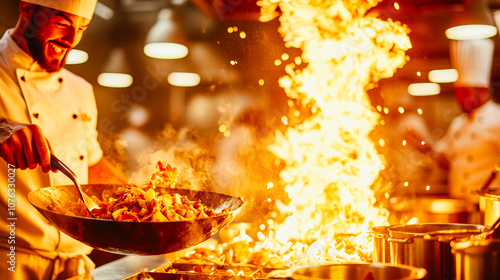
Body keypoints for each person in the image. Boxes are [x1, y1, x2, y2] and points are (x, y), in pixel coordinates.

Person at [0, 1, 126, 279]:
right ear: (27, 10)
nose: (72, 41)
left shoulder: (80, 90)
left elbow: (91, 163)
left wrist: (141, 200)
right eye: (62, 24)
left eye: (81, 28)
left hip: (75, 264)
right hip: (10, 262)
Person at [431, 38, 500, 204]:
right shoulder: (457, 124)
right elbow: (445, 161)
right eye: (458, 93)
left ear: (482, 91)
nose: (459, 100)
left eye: (465, 93)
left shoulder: (498, 118)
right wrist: (425, 148)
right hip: (458, 204)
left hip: (486, 207)